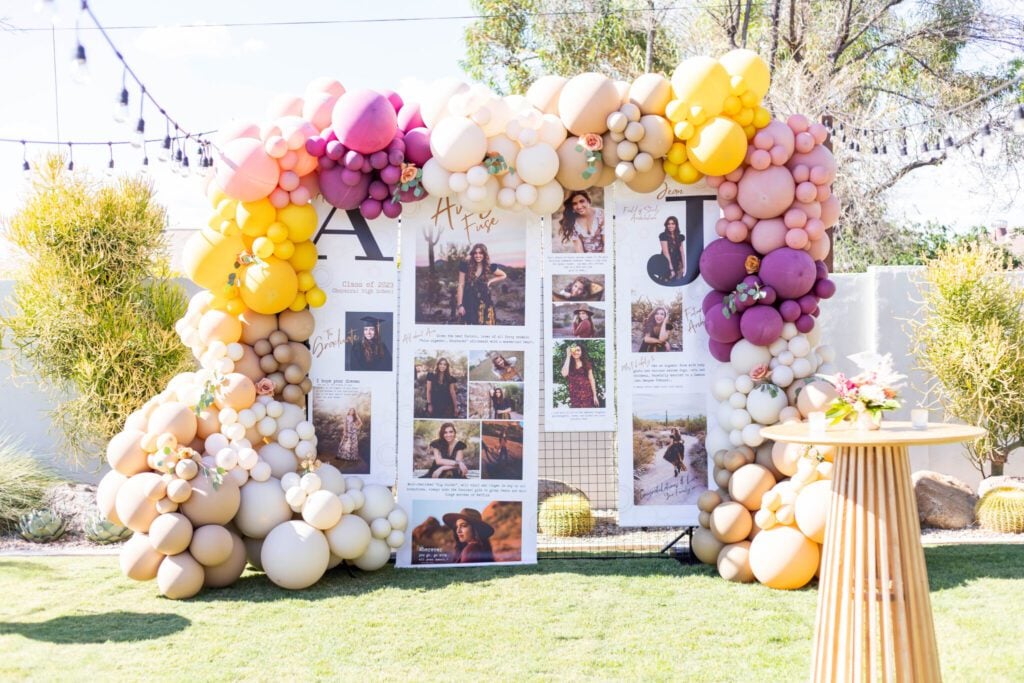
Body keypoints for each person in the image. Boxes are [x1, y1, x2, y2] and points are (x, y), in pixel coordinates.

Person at [456, 243, 507, 325]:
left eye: (480, 253)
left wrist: (490, 281)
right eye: (475, 253)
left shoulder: (488, 267)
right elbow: (461, 286)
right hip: (469, 303)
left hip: (485, 304)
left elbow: (503, 275)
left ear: (484, 254)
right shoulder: (465, 266)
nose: (478, 255)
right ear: (472, 254)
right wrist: (460, 305)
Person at [560, 343, 600, 408]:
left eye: (578, 350)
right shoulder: (568, 364)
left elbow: (591, 379)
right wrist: (568, 356)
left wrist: (595, 396)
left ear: (581, 352)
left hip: (587, 393)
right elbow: (564, 374)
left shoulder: (586, 363)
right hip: (574, 395)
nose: (576, 352)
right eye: (574, 350)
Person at [659, 216, 686, 282]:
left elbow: (682, 252)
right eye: (668, 224)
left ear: (676, 225)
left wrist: (684, 267)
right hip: (667, 263)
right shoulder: (663, 235)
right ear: (666, 225)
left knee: (678, 284)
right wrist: (671, 269)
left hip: (678, 263)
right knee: (667, 282)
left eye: (673, 223)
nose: (670, 226)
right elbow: (666, 253)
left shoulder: (680, 236)